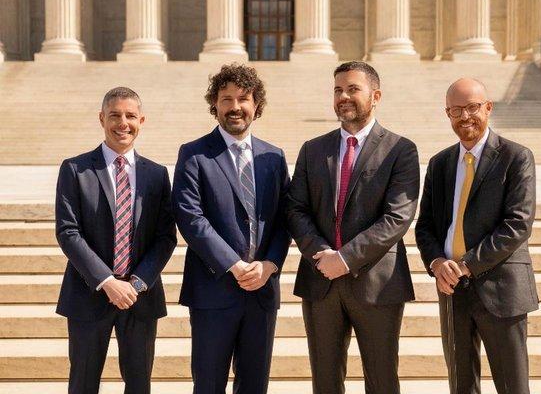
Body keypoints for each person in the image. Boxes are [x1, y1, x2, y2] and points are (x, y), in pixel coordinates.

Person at [286, 61, 420, 394]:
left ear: (375, 96)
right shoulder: (312, 149)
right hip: (321, 283)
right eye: (337, 90)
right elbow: (296, 208)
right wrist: (321, 254)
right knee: (325, 382)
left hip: (377, 283)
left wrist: (344, 259)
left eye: (352, 89)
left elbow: (397, 217)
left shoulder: (400, 150)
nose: (343, 96)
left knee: (382, 380)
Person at [172, 63, 291, 394]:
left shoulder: (274, 157)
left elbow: (285, 219)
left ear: (256, 105)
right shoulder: (194, 154)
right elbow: (190, 217)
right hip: (213, 290)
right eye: (226, 99)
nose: (235, 107)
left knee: (255, 385)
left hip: (262, 291)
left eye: (243, 98)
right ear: (215, 105)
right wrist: (234, 265)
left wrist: (270, 265)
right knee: (209, 385)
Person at [415, 78, 538, 394]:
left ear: (488, 107)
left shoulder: (516, 157)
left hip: (501, 289)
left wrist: (467, 264)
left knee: (512, 386)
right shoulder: (440, 163)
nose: (465, 116)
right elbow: (425, 225)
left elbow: (517, 224)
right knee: (461, 386)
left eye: (472, 107)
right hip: (452, 289)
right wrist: (437, 262)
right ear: (447, 114)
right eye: (456, 110)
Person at [55, 87, 177, 394]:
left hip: (140, 297)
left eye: (130, 116)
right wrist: (108, 281)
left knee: (139, 385)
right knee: (82, 383)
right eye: (115, 115)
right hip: (88, 293)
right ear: (101, 118)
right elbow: (68, 232)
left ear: (141, 120)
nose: (123, 123)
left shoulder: (157, 174)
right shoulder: (75, 169)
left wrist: (135, 284)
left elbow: (165, 237)